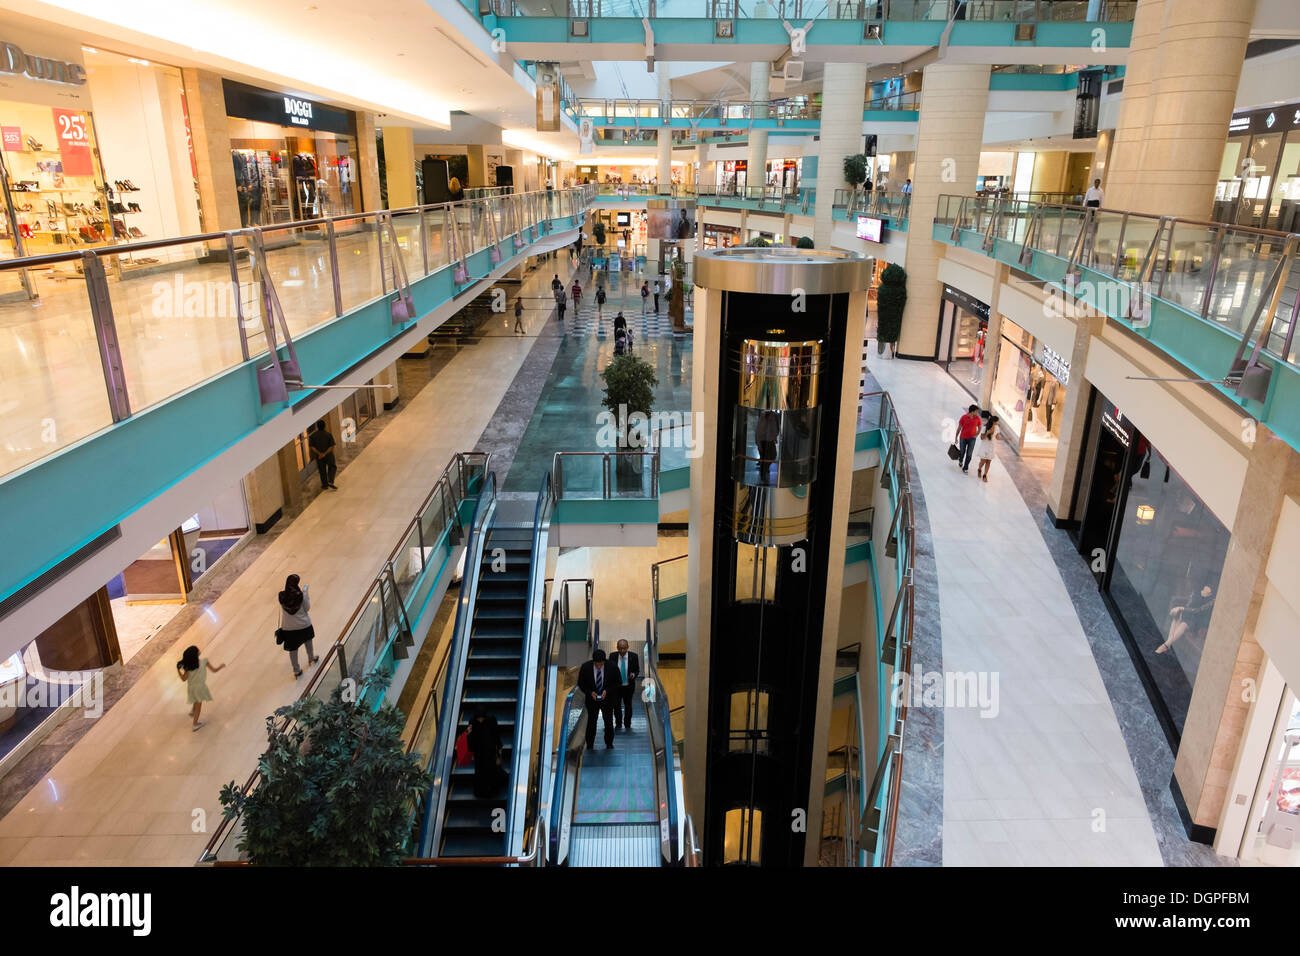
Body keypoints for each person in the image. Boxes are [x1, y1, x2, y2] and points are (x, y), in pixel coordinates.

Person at [276, 574, 319, 677]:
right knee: (308, 642)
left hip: (288, 628)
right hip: (303, 624)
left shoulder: (282, 596)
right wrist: (305, 594)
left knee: (293, 649)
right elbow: (307, 608)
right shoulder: (301, 596)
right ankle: (311, 658)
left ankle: (296, 670)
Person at [577, 648, 619, 750]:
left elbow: (618, 682)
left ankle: (609, 743)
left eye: (601, 664)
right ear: (593, 661)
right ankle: (590, 744)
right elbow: (581, 683)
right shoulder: (586, 667)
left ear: (604, 661)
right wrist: (590, 692)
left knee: (608, 722)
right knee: (591, 722)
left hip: (608, 700)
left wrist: (607, 691)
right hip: (592, 700)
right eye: (596, 664)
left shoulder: (612, 666)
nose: (599, 666)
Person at [177, 645, 224, 732]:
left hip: (191, 688)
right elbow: (214, 670)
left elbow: (183, 679)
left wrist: (178, 671)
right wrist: (220, 667)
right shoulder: (204, 661)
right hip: (200, 688)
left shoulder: (189, 668)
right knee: (199, 705)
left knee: (195, 699)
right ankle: (195, 724)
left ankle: (192, 711)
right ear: (196, 654)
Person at [466, 708, 507, 797]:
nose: (480, 720)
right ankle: (481, 792)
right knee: (480, 773)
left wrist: (499, 754)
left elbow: (496, 736)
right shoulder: (472, 722)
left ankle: (493, 791)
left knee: (491, 771)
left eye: (482, 718)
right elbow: (471, 739)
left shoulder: (491, 720)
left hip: (490, 752)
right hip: (479, 753)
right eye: (478, 718)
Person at [609, 639, 640, 731]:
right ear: (617, 648)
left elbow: (637, 669)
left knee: (628, 705)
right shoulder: (612, 656)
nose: (622, 651)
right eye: (620, 648)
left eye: (624, 648)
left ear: (628, 647)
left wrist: (634, 674)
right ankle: (618, 723)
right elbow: (609, 670)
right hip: (616, 687)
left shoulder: (634, 656)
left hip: (628, 686)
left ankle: (627, 724)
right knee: (616, 706)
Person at [308, 419, 337, 491]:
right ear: (324, 426)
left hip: (319, 456)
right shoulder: (328, 434)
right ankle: (330, 480)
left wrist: (319, 453)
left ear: (317, 427)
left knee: (322, 470)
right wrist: (325, 453)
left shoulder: (313, 436)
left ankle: (325, 485)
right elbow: (332, 446)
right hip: (328, 455)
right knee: (332, 466)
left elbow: (312, 447)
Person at [954, 404, 982, 474]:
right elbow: (959, 428)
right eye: (976, 411)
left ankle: (965, 467)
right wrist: (956, 437)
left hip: (972, 439)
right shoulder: (964, 417)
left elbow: (980, 427)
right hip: (963, 438)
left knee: (969, 454)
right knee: (962, 452)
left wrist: (977, 434)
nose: (977, 413)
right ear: (972, 411)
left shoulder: (977, 418)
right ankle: (960, 461)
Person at [974, 415, 999, 483]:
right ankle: (979, 469)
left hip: (992, 447)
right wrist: (988, 432)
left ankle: (985, 475)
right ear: (994, 422)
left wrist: (1006, 439)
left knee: (989, 461)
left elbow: (997, 437)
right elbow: (982, 438)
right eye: (997, 421)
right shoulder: (985, 428)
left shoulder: (997, 428)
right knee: (983, 461)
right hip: (985, 446)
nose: (998, 422)